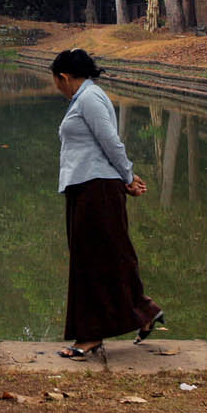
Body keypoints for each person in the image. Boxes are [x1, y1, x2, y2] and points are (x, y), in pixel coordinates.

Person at [50, 47, 163, 359]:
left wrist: (127, 176)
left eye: (56, 82)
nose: (57, 88)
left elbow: (111, 141)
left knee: (93, 260)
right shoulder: (84, 98)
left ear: (63, 77)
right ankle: (143, 309)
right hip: (85, 187)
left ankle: (90, 337)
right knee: (102, 256)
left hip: (96, 188)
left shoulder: (89, 98)